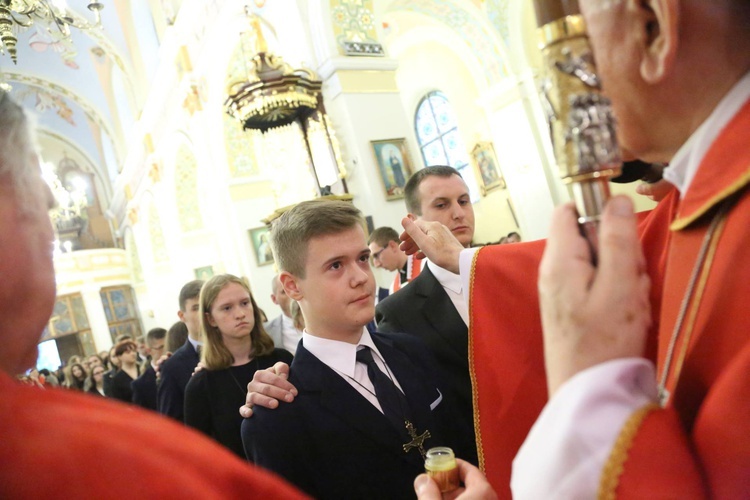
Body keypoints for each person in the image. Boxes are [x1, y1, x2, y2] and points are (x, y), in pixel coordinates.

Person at [408, 0, 750, 497]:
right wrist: (468, 261)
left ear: (653, 25)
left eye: (580, 41)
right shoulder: (708, 192)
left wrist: (588, 389)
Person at [0, 91, 306, 498]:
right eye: (42, 202)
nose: (51, 226)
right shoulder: (100, 460)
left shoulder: (281, 360)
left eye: (244, 302)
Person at [241, 200, 456, 499]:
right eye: (336, 265)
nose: (361, 278)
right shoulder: (278, 417)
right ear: (292, 286)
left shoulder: (412, 350)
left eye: (363, 258)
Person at [184, 274, 293, 458]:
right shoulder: (200, 385)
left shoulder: (281, 361)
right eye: (227, 308)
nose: (240, 313)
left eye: (244, 303)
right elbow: (199, 455)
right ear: (211, 319)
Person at [157, 279, 203, 421]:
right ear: (182, 316)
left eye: (206, 306)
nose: (203, 313)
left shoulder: (235, 349)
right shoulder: (172, 366)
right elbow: (172, 423)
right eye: (196, 308)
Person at [368, 226, 423, 294]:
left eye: (376, 255)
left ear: (392, 246)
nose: (376, 264)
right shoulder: (393, 288)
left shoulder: (425, 263)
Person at [264, 275, 302, 354]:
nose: (293, 294)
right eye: (284, 291)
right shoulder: (266, 332)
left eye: (296, 288)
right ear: (274, 299)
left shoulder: (327, 321)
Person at [131, 327, 166, 410]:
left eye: (169, 345)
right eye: (161, 347)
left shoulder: (181, 368)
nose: (166, 350)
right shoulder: (140, 384)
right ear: (149, 350)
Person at [110, 339, 141, 403]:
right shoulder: (117, 380)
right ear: (119, 356)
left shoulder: (143, 369)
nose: (133, 354)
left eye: (134, 351)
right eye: (128, 352)